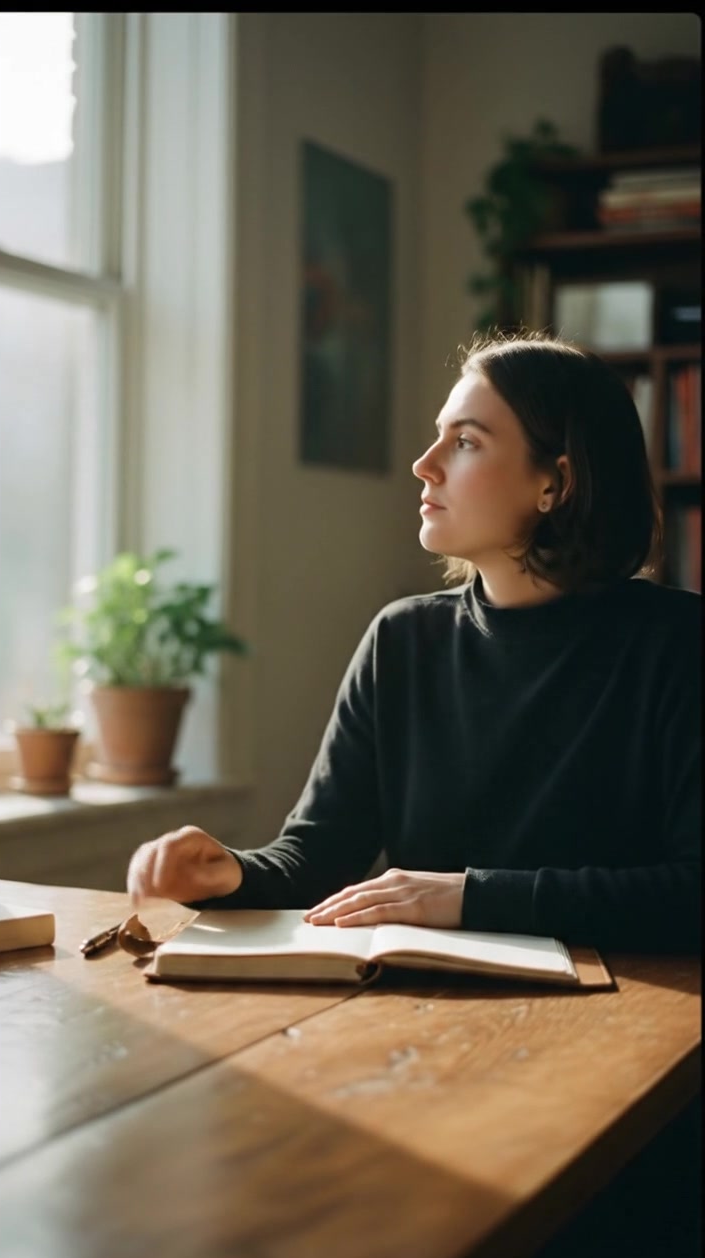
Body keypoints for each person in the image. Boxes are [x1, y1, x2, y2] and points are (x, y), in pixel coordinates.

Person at [127, 331, 701, 953]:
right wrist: (228, 872)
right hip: (427, 1007)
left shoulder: (678, 646)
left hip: (627, 1015)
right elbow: (318, 857)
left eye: (465, 442)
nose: (424, 464)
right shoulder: (401, 640)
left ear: (555, 484)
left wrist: (468, 897)